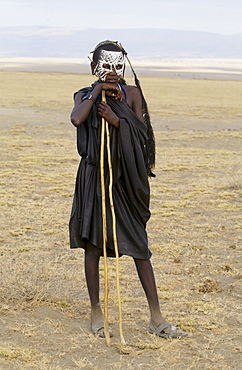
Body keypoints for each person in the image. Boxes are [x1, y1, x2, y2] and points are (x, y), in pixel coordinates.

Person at [69, 40, 188, 339]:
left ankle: (156, 318)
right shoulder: (84, 95)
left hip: (124, 181)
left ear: (125, 65)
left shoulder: (133, 95)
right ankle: (96, 312)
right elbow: (76, 118)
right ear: (93, 67)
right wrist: (97, 94)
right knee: (93, 245)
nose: (112, 71)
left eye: (117, 65)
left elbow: (144, 137)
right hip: (95, 180)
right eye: (105, 66)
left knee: (140, 247)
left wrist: (117, 121)